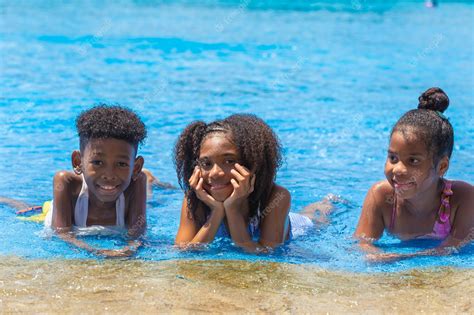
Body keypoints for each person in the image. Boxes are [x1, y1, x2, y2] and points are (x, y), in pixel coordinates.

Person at [173, 113, 333, 252]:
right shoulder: (194, 199)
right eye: (206, 164)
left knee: (317, 216)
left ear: (252, 163)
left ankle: (328, 202)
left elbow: (264, 254)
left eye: (229, 161)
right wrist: (216, 212)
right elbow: (185, 252)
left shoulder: (276, 197)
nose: (215, 173)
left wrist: (232, 208)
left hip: (298, 228)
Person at [6, 105, 148, 257]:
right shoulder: (66, 182)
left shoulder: (137, 182)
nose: (109, 175)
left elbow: (137, 234)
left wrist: (129, 250)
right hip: (57, 211)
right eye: (98, 162)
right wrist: (97, 252)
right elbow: (62, 234)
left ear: (136, 168)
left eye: (121, 164)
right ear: (78, 162)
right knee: (23, 209)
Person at [354, 88, 474, 262]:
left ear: (442, 166)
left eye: (413, 161)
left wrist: (404, 257)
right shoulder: (381, 197)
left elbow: (456, 246)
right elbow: (360, 244)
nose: (398, 170)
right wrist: (375, 255)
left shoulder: (463, 198)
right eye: (393, 158)